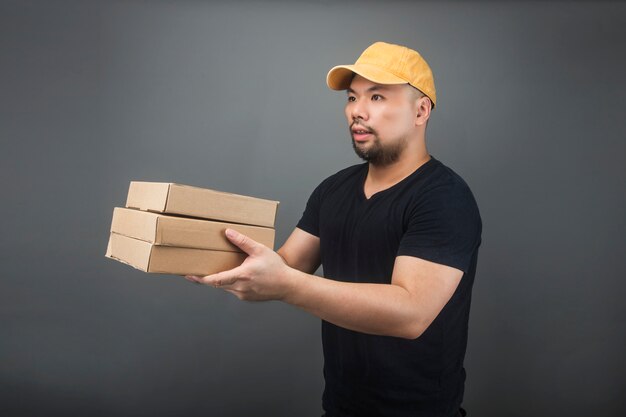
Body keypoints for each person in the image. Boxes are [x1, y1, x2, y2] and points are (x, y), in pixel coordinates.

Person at [186, 41, 482, 417]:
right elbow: (287, 265)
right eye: (352, 97)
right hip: (341, 408)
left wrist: (283, 284)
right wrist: (206, 255)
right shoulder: (333, 189)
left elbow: (411, 314)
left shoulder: (444, 197)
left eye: (376, 97)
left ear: (420, 110)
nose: (357, 111)